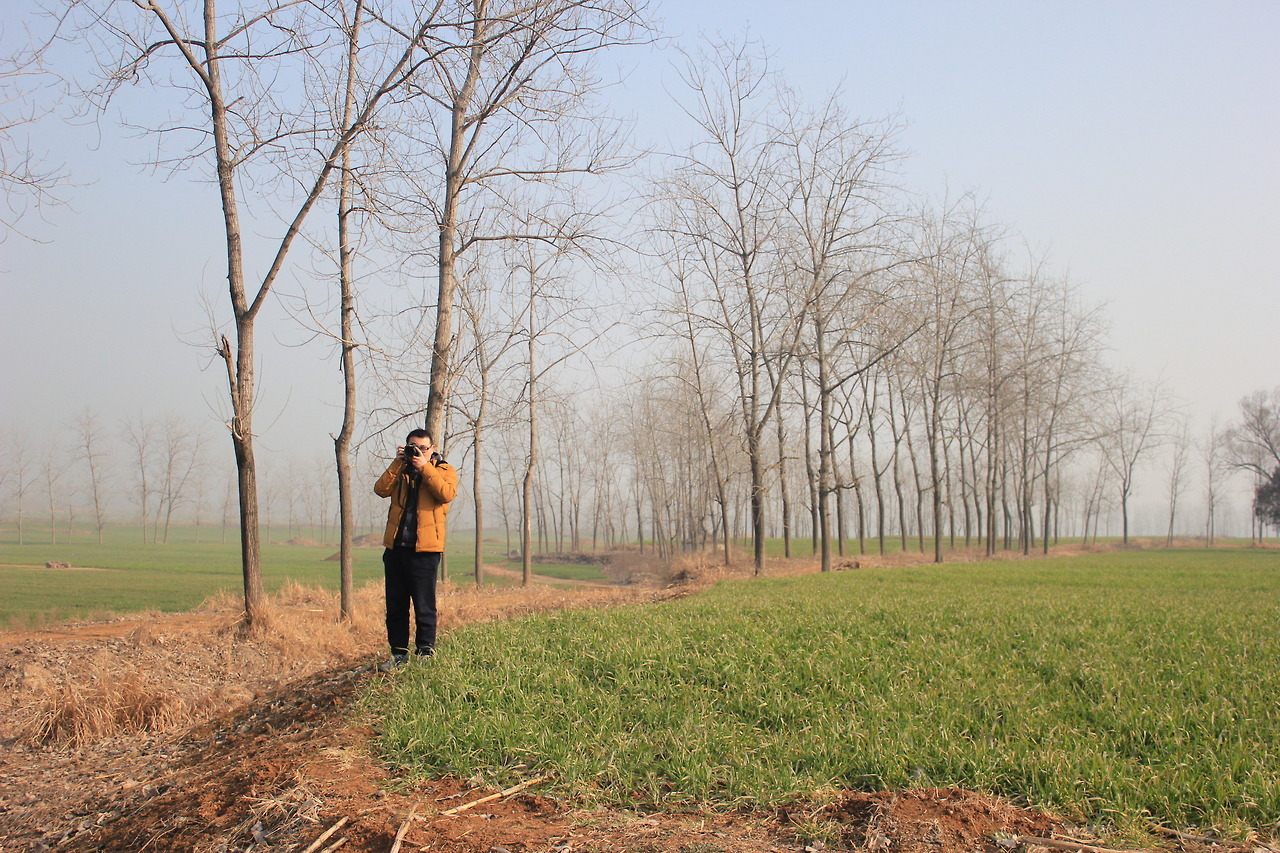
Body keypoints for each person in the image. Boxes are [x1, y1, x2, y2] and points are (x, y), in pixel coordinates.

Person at [374, 428, 458, 671]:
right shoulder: (400, 471)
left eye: (423, 448)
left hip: (425, 551)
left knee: (424, 606)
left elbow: (446, 494)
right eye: (413, 447)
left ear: (431, 449)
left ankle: (425, 654)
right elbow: (381, 490)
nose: (417, 452)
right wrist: (396, 463)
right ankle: (398, 655)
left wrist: (424, 467)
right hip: (396, 549)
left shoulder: (444, 470)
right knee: (396, 607)